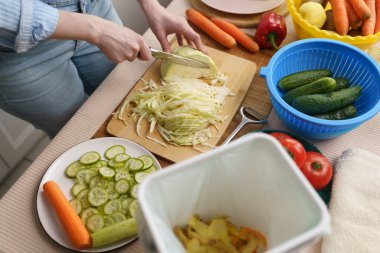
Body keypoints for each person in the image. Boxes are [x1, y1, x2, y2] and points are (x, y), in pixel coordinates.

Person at [0, 0, 204, 138]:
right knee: (78, 132)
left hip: (94, 8)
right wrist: (96, 30)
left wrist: (152, 6)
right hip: (19, 48)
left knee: (133, 103)